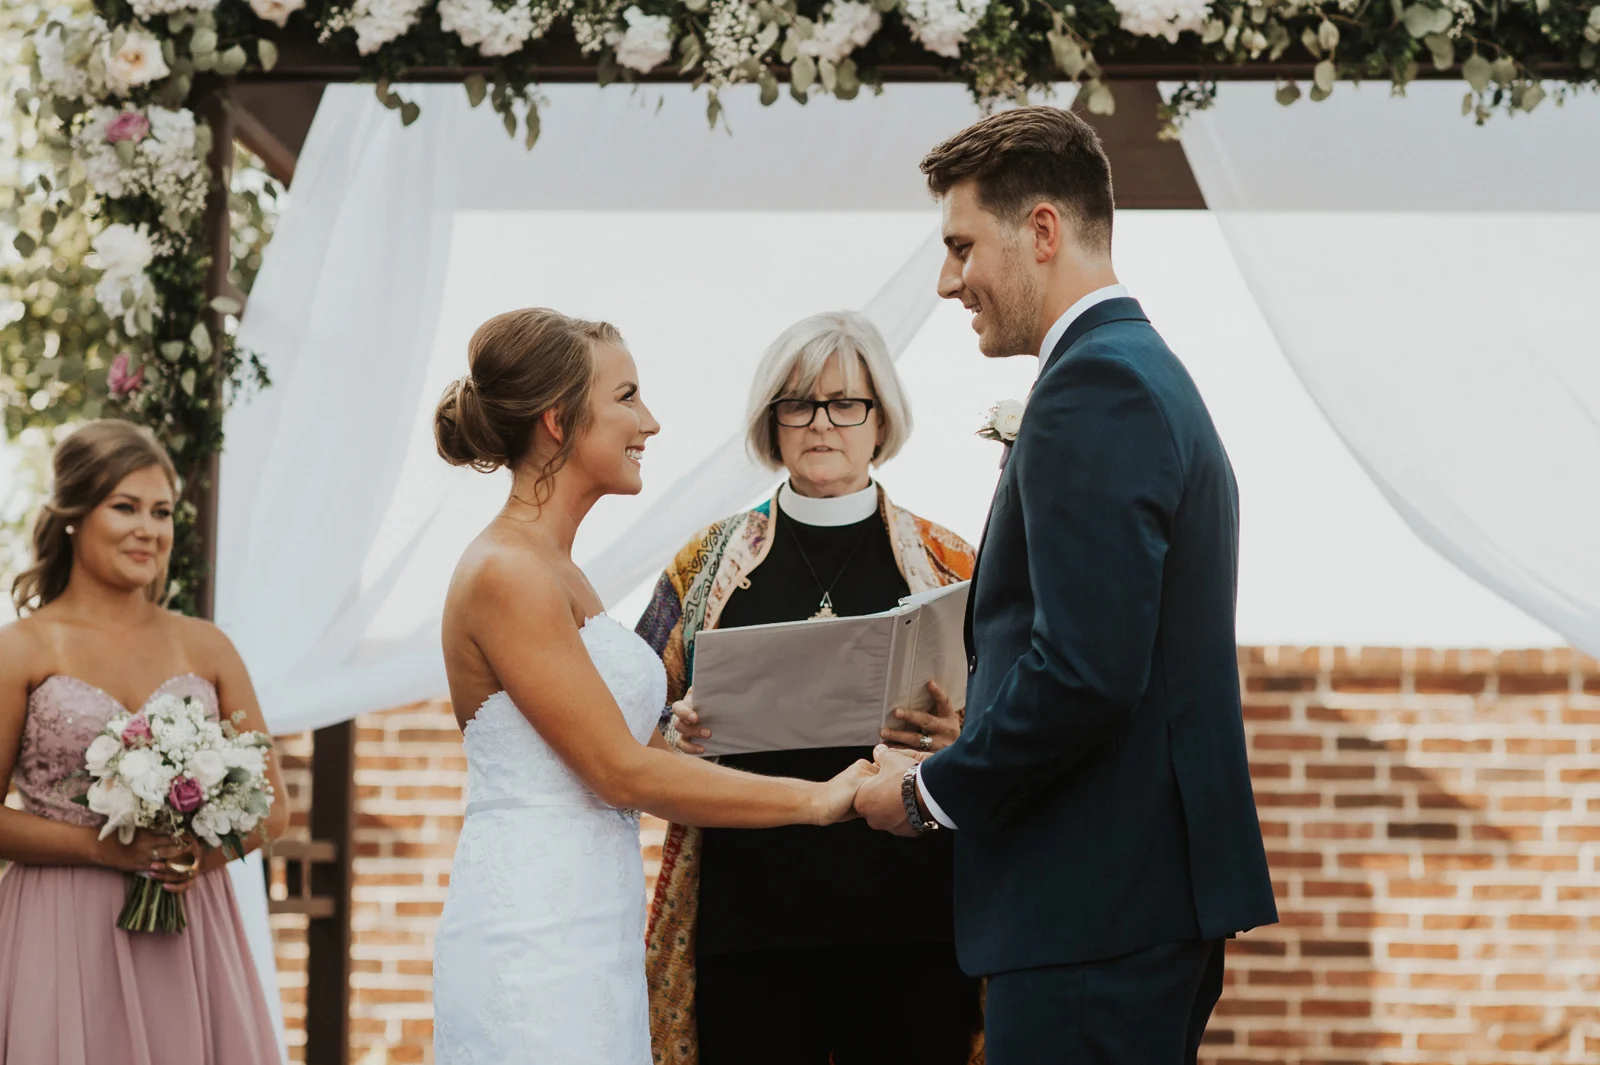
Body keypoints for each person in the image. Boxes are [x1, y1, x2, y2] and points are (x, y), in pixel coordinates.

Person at [854, 107, 1279, 1064]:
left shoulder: (1097, 388)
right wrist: (975, 728)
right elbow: (1120, 654)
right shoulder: (1140, 370)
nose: (948, 281)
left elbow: (1087, 670)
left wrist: (925, 793)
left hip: (1093, 906)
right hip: (1125, 903)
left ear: (1041, 230)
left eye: (962, 246)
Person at [428, 308, 877, 1065]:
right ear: (558, 420)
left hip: (594, 922)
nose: (651, 422)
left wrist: (685, 732)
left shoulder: (560, 569)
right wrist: (816, 799)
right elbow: (617, 771)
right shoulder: (508, 572)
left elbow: (623, 748)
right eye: (627, 396)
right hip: (534, 934)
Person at [639, 311, 982, 1065]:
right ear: (773, 420)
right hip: (750, 919)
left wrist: (960, 734)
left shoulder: (951, 560)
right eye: (798, 403)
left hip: (913, 920)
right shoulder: (704, 563)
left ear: (881, 418)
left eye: (845, 402)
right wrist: (675, 725)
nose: (822, 422)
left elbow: (1013, 720)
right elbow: (630, 725)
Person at [0, 419, 288, 1064]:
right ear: (74, 516)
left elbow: (273, 809)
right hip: (59, 925)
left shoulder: (207, 646)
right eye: (125, 506)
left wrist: (192, 860)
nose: (149, 529)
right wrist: (103, 851)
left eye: (161, 512)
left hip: (188, 929)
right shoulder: (20, 650)